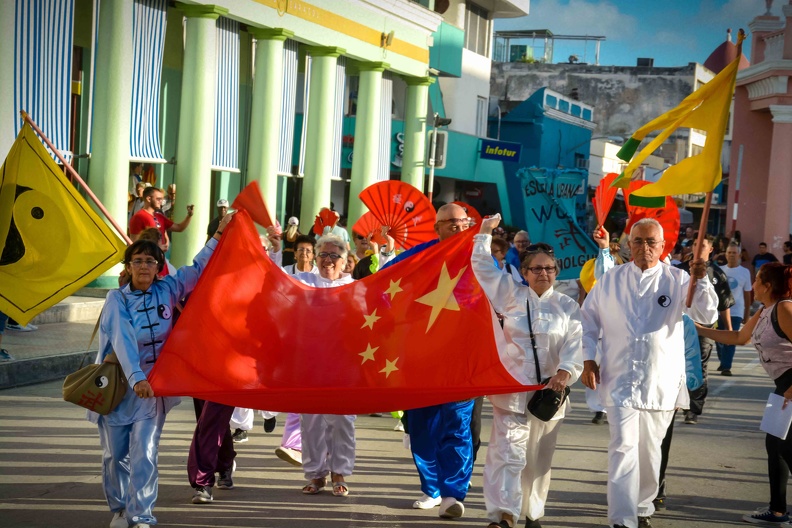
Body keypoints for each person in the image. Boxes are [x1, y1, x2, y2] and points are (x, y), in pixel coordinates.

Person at [91, 211, 232, 528]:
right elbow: (124, 342)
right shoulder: (117, 300)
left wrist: (219, 234)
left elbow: (198, 268)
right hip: (119, 386)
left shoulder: (168, 289)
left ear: (158, 267)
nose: (143, 266)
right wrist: (137, 377)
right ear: (128, 267)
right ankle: (119, 508)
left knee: (146, 451)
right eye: (138, 261)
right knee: (116, 456)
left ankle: (141, 513)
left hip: (153, 390)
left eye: (150, 262)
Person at [580, 218, 718, 528]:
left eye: (651, 242)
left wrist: (702, 278)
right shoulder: (610, 281)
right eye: (639, 241)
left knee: (650, 452)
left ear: (663, 246)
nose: (645, 247)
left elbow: (707, 314)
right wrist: (589, 360)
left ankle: (642, 508)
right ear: (629, 246)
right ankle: (621, 519)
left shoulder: (679, 278)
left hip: (660, 382)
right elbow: (588, 321)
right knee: (623, 447)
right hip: (618, 379)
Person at [473, 215, 582, 528]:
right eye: (536, 268)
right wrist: (483, 232)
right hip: (511, 393)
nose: (543, 273)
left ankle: (533, 512)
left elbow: (577, 343)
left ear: (556, 272)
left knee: (537, 461)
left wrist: (565, 373)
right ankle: (502, 514)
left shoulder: (566, 306)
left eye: (549, 268)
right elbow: (481, 266)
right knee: (506, 455)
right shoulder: (509, 294)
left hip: (551, 397)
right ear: (524, 272)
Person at [382, 203, 476, 519]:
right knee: (422, 428)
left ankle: (452, 494)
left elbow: (508, 294)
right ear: (437, 229)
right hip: (421, 359)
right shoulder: (419, 256)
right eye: (448, 222)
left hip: (463, 361)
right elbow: (383, 280)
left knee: (458, 426)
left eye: (461, 221)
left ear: (469, 224)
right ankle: (432, 488)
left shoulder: (483, 259)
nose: (456, 227)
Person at [696, 262, 792, 525]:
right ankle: (778, 510)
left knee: (787, 448)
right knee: (775, 447)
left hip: (791, 386)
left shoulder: (785, 308)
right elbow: (738, 337)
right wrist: (698, 329)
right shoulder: (765, 311)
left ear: (768, 285)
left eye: (758, 280)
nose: (753, 286)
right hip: (782, 387)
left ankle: (779, 510)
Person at [273, 233, 356, 497]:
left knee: (342, 420)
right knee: (311, 421)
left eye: (334, 256)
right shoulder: (303, 281)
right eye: (323, 254)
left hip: (344, 365)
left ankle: (339, 472)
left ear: (345, 261)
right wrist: (275, 250)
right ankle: (316, 474)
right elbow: (274, 283)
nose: (328, 260)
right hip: (309, 363)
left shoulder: (357, 288)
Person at [675, 234, 735, 424]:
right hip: (679, 326)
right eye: (694, 244)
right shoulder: (679, 271)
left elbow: (724, 305)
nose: (698, 248)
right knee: (677, 366)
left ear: (710, 249)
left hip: (704, 329)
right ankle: (677, 402)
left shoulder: (717, 274)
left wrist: (729, 329)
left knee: (698, 367)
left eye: (703, 245)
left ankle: (694, 408)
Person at [716, 243, 753, 375]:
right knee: (719, 338)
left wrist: (746, 314)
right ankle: (723, 359)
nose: (731, 255)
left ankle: (726, 366)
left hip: (736, 311)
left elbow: (747, 294)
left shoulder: (745, 272)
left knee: (731, 337)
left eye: (734, 253)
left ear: (739, 255)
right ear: (726, 254)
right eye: (729, 252)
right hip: (719, 311)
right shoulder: (719, 270)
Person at [129, 187, 194, 249]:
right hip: (150, 258)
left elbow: (179, 228)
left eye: (161, 199)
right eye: (158, 199)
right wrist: (157, 248)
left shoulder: (159, 216)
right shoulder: (138, 217)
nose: (161, 201)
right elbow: (135, 244)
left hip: (160, 257)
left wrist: (189, 215)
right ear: (148, 199)